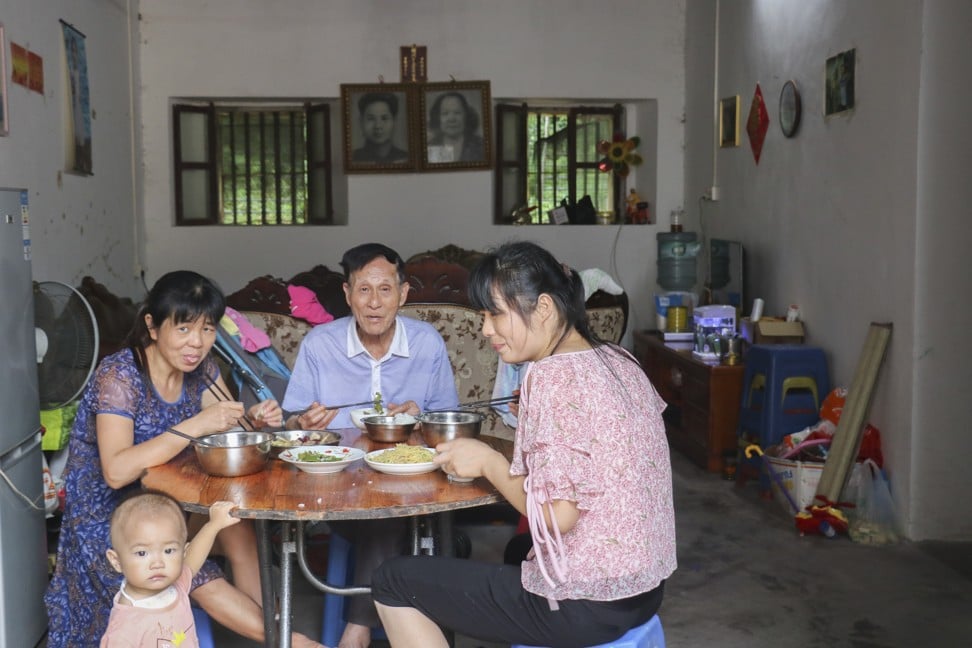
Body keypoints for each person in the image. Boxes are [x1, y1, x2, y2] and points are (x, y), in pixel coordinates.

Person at [371, 241, 677, 647]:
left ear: (545, 308)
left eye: (496, 313)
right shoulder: (619, 360)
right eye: (483, 315)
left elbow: (557, 518)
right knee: (518, 550)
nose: (485, 329)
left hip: (586, 603)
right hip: (643, 589)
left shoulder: (549, 377)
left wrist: (486, 463)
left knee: (393, 580)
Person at [44, 270, 323, 648]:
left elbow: (234, 433)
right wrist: (196, 425)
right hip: (110, 521)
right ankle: (296, 642)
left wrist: (269, 423)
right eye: (184, 329)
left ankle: (277, 636)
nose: (197, 343)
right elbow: (116, 471)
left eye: (208, 330)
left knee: (237, 528)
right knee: (190, 576)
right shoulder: (120, 377)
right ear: (153, 327)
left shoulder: (202, 370)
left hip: (172, 505)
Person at [282, 242, 459, 648]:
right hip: (335, 487)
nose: (375, 303)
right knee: (387, 511)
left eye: (385, 289)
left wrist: (421, 417)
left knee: (391, 504)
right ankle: (365, 628)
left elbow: (448, 427)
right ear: (347, 295)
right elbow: (290, 428)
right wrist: (303, 422)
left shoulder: (426, 343)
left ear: (404, 293)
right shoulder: (320, 345)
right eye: (364, 290)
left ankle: (355, 632)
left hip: (409, 485)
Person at [100, 492, 238, 647]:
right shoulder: (124, 630)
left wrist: (213, 525)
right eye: (142, 553)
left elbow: (192, 559)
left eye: (168, 551)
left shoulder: (175, 588)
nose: (158, 563)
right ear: (116, 561)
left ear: (182, 551)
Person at [426, 91, 485, 163]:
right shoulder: (430, 147)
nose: (451, 119)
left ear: (466, 116)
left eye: (457, 113)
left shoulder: (481, 146)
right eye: (445, 113)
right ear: (437, 118)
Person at [351, 92, 409, 164]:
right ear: (361, 122)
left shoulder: (405, 158)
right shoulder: (353, 159)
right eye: (371, 119)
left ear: (394, 121)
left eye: (384, 118)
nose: (378, 126)